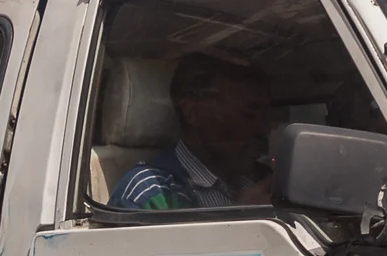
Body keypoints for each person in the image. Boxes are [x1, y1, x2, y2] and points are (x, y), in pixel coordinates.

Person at [112, 52, 274, 211]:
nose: (264, 128)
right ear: (193, 113)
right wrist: (242, 218)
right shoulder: (151, 194)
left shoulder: (260, 180)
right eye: (249, 114)